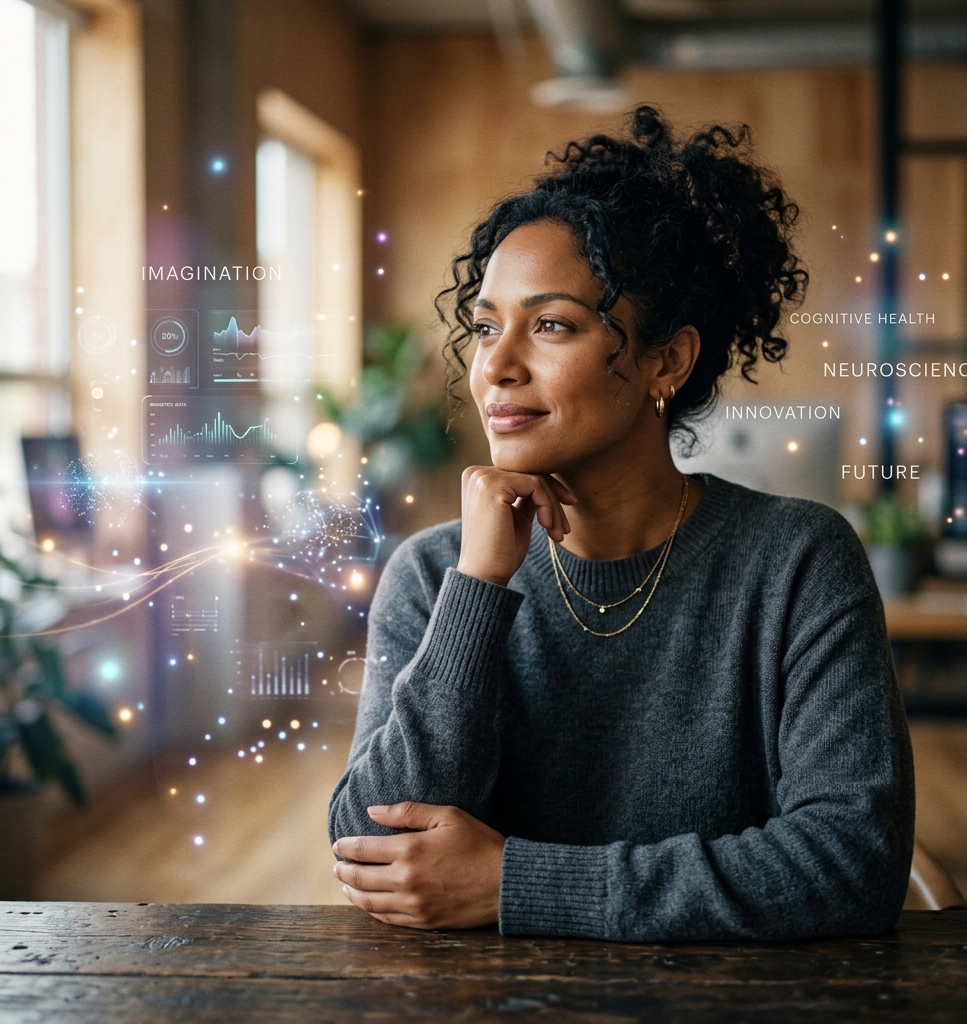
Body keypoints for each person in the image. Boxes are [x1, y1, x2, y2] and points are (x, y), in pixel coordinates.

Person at [328, 106, 914, 941]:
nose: (496, 366)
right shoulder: (436, 575)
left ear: (665, 361)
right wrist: (479, 588)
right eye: (486, 326)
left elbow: (853, 861)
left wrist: (517, 883)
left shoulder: (797, 561)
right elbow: (370, 849)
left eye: (552, 325)